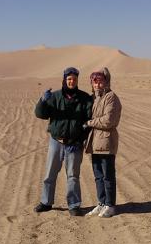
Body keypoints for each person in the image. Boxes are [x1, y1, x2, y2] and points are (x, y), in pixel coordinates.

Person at [33, 67, 93, 216]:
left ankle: (74, 205)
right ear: (65, 80)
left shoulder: (84, 98)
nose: (71, 81)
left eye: (74, 79)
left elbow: (88, 121)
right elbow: (40, 114)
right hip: (56, 142)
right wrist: (42, 101)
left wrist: (80, 139)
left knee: (73, 175)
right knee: (49, 174)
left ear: (77, 80)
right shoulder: (54, 97)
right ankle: (46, 202)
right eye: (69, 79)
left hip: (74, 144)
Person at [84, 67, 122, 218]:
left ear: (106, 81)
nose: (97, 84)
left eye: (100, 81)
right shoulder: (94, 98)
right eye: (94, 81)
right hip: (94, 143)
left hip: (106, 143)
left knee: (108, 175)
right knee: (98, 176)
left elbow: (109, 121)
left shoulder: (111, 97)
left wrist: (90, 122)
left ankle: (110, 205)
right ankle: (101, 203)